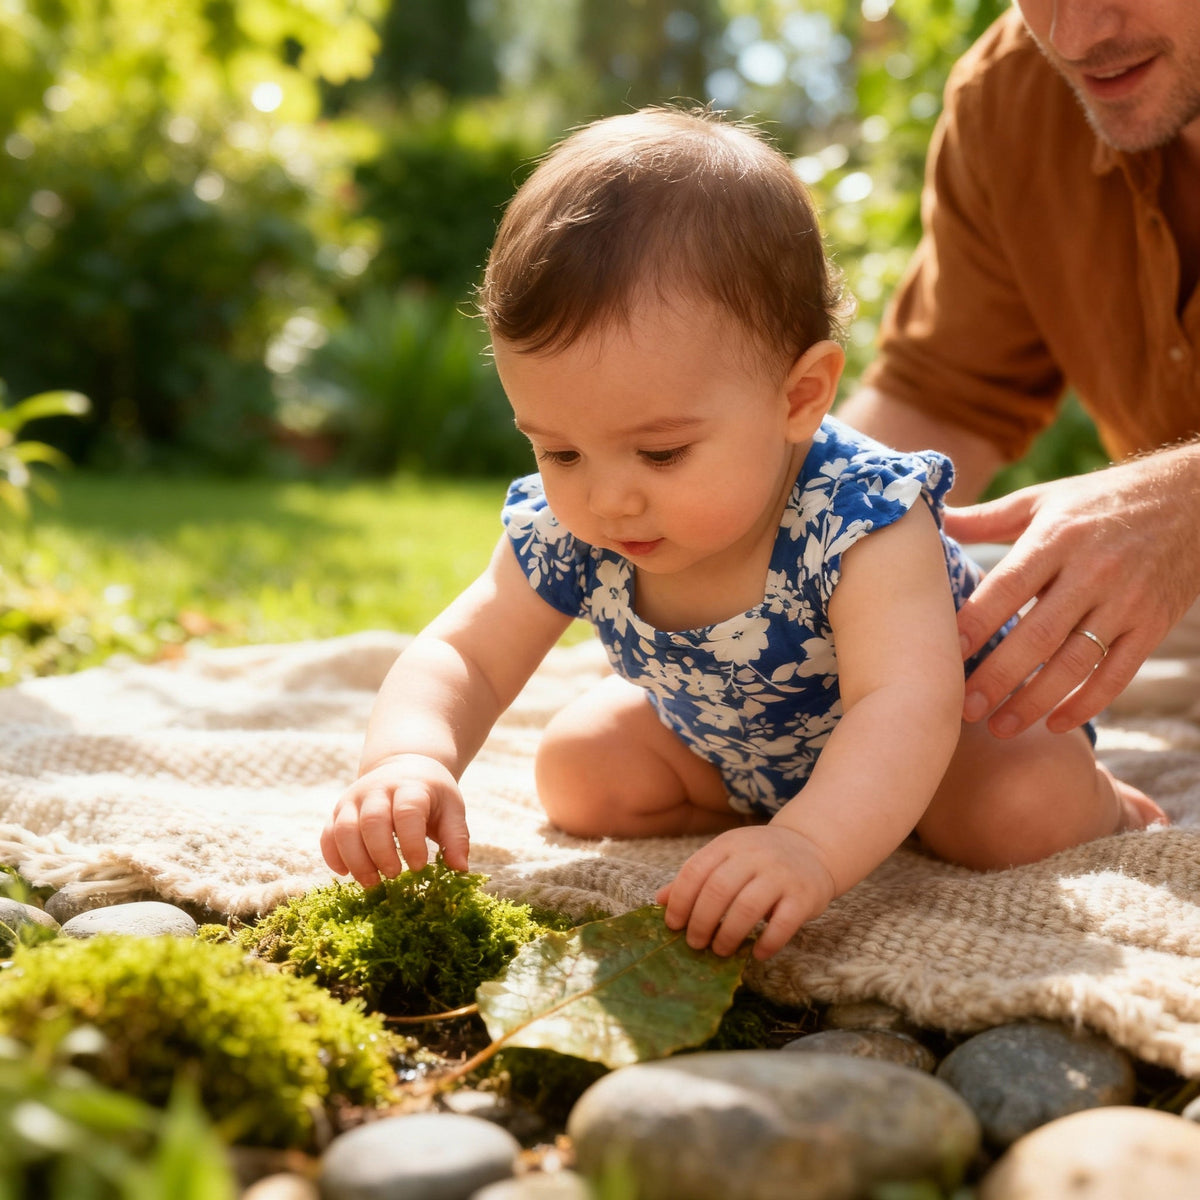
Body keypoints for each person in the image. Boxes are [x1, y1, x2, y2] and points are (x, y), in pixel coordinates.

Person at [321, 107, 1163, 962]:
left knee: (1019, 815)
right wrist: (406, 760)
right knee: (578, 771)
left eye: (661, 452)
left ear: (800, 398)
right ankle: (764, 823)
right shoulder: (569, 522)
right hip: (734, 741)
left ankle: (1099, 803)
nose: (607, 498)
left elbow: (904, 704)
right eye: (559, 448)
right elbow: (467, 654)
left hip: (950, 739)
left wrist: (810, 848)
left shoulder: (860, 515)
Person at [838, 0, 1200, 743]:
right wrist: (772, 529)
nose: (1075, 39)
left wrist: (1186, 506)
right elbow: (939, 402)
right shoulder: (1012, 99)